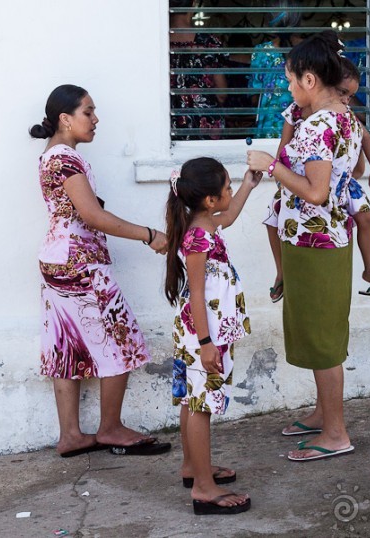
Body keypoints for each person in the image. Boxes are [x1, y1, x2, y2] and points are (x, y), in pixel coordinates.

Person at [30, 84, 172, 458]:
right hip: (81, 264)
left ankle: (71, 435)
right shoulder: (66, 160)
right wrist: (149, 235)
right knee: (121, 338)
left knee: (65, 346)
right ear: (65, 119)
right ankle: (110, 428)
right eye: (88, 112)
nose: (95, 120)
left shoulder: (50, 156)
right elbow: (93, 216)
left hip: (56, 261)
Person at [246, 30, 360, 461]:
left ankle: (335, 433)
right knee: (320, 333)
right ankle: (322, 414)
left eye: (292, 80)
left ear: (310, 80)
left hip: (314, 243)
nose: (290, 88)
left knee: (322, 340)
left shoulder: (316, 127)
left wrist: (271, 165)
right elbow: (351, 174)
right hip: (331, 237)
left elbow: (315, 192)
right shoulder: (347, 119)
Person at [164, 157, 260, 514]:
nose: (230, 192)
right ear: (209, 200)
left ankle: (193, 467)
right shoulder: (198, 239)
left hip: (199, 333)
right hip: (203, 335)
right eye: (228, 187)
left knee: (192, 400)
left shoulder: (202, 224)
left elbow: (229, 216)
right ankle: (204, 488)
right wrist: (206, 345)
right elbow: (198, 295)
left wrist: (249, 184)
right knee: (201, 407)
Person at [263, 58, 370, 301]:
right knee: (273, 219)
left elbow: (365, 139)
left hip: (339, 183)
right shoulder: (298, 111)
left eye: (350, 96)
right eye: (343, 92)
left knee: (365, 216)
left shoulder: (343, 115)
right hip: (303, 181)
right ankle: (281, 273)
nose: (346, 100)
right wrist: (279, 171)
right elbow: (284, 146)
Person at [169, 0, 228, 140]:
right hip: (205, 126)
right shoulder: (208, 43)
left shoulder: (156, 41)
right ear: (194, 3)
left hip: (170, 125)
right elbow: (221, 94)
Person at [249, 2, 303, 138]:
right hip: (302, 128)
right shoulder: (311, 50)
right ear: (298, 20)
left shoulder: (262, 52)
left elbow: (255, 98)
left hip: (269, 128)